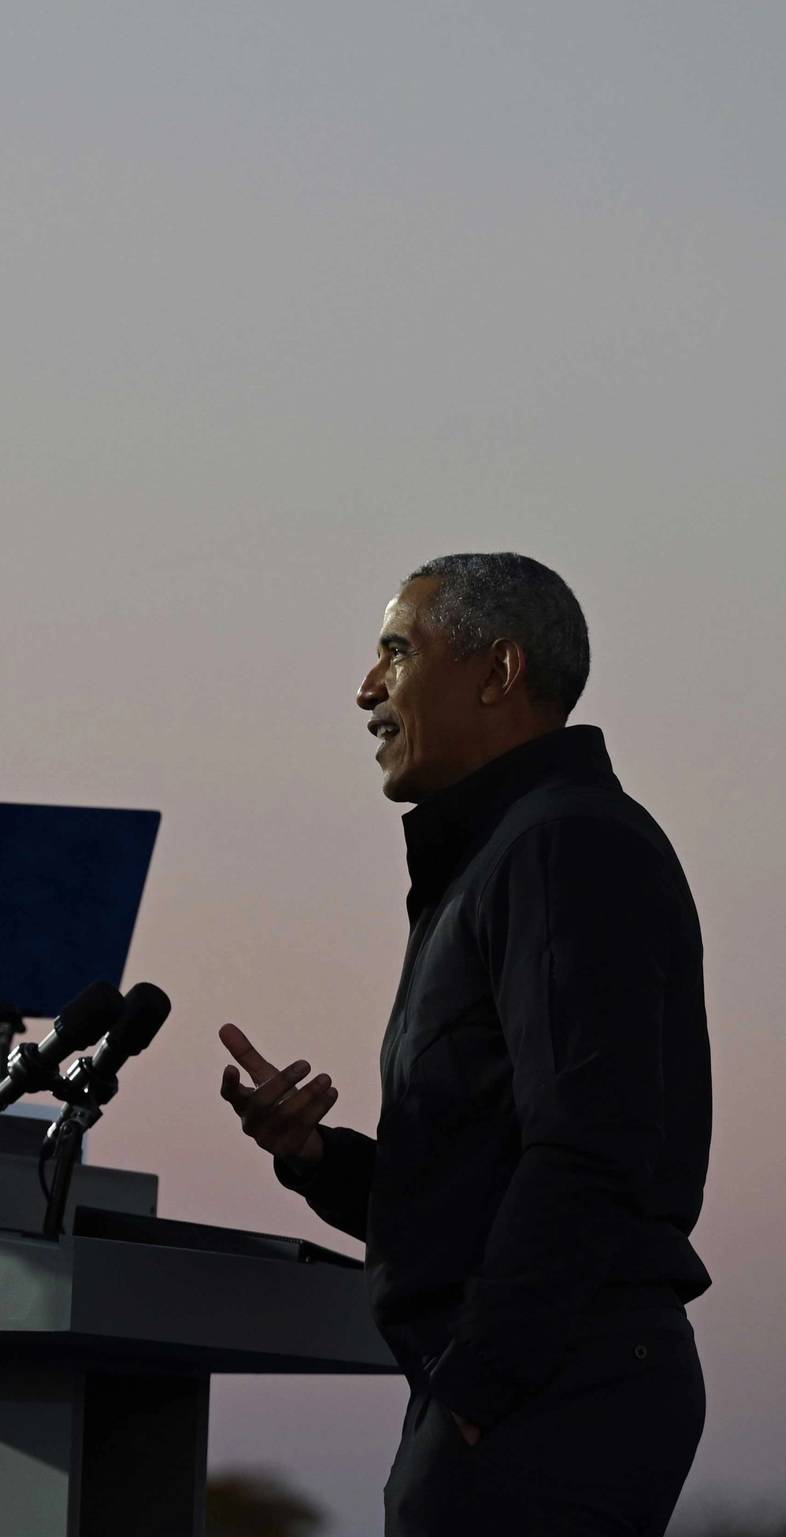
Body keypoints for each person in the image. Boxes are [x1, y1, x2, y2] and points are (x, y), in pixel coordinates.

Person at [219, 552, 710, 1537]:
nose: (365, 688)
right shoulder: (504, 855)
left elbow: (589, 1148)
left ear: (497, 673)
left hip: (549, 1392)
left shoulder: (563, 843)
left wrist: (480, 1388)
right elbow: (472, 1191)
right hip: (523, 1386)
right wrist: (316, 1157)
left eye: (395, 652)